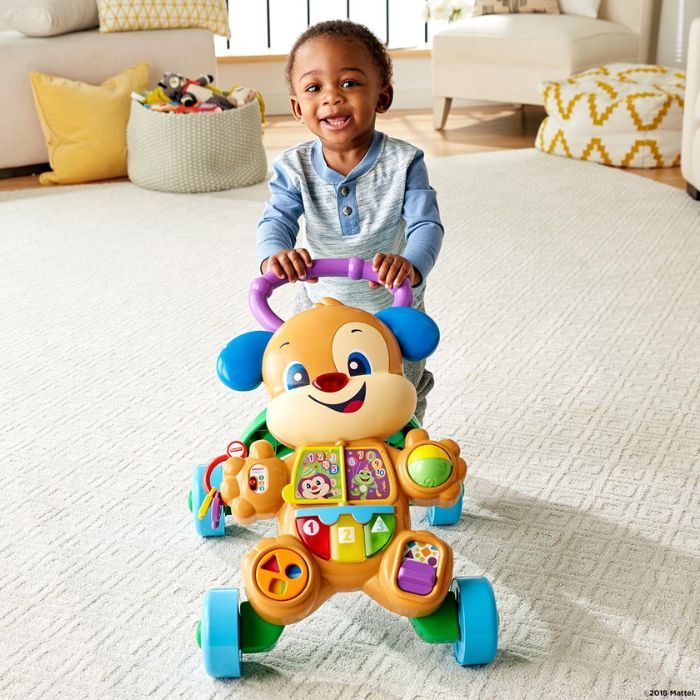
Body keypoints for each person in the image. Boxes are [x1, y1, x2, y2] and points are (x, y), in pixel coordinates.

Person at [256, 19, 444, 422]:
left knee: (397, 390)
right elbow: (276, 219)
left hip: (391, 303)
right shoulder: (293, 167)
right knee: (314, 384)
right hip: (320, 302)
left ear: (383, 95)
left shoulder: (404, 162)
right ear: (297, 108)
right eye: (314, 88)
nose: (332, 98)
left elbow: (426, 225)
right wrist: (275, 256)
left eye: (349, 83)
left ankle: (407, 448)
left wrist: (411, 266)